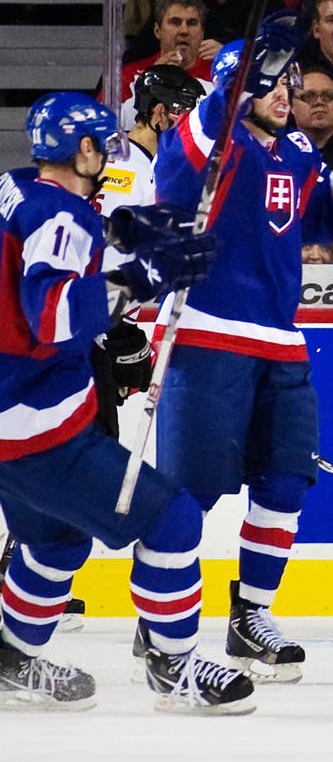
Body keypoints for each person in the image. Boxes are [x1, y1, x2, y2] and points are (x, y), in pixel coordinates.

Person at [151, 20, 333, 682]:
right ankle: (160, 627)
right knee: (190, 495)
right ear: (238, 86)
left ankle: (251, 617)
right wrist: (236, 83)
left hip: (281, 342)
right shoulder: (208, 141)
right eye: (271, 82)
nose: (287, 93)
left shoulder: (296, 150)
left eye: (290, 82)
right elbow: (185, 161)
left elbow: (318, 212)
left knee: (284, 484)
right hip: (206, 336)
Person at [0, 92, 251, 713]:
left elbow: (56, 248)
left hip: (11, 418)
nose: (110, 157)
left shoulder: (16, 187)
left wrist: (129, 234)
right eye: (104, 146)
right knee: (173, 520)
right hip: (39, 427)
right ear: (83, 149)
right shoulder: (60, 217)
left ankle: (10, 661)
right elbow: (54, 316)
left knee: (56, 542)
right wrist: (146, 277)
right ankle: (174, 667)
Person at [99, 66, 204, 222]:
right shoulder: (144, 174)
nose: (189, 128)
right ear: (160, 113)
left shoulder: (103, 154)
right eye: (185, 118)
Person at [119, 0, 215, 106]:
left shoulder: (217, 75)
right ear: (157, 30)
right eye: (175, 22)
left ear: (202, 33)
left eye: (192, 23)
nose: (184, 31)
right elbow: (109, 114)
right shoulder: (131, 75)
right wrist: (150, 81)